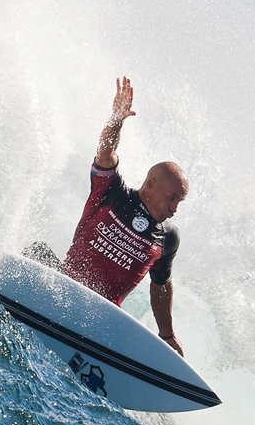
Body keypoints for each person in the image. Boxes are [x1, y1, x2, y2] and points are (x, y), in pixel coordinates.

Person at [62, 77, 189, 357]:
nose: (175, 209)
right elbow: (106, 153)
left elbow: (160, 284)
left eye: (179, 202)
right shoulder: (113, 193)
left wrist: (166, 335)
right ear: (151, 185)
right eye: (172, 198)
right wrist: (117, 119)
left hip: (101, 320)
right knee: (35, 251)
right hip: (62, 288)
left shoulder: (168, 237)